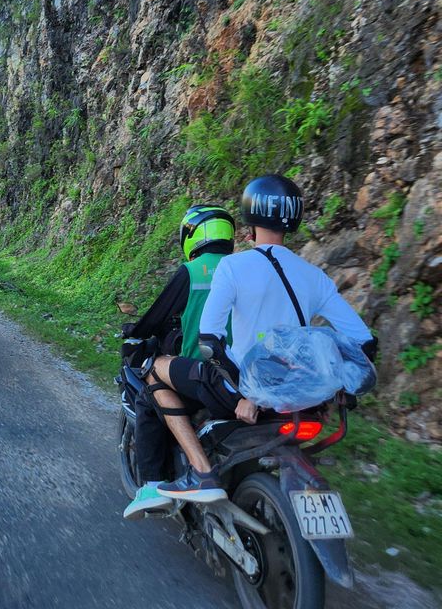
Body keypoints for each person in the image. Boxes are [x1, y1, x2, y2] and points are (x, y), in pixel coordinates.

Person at [142, 174, 374, 504]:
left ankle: (201, 473)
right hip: (300, 396)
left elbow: (209, 340)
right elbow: (363, 343)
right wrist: (341, 393)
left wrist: (242, 396)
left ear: (248, 223)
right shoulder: (314, 276)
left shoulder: (233, 267)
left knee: (156, 370)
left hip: (246, 392)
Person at [123, 204, 235, 520]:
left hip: (204, 375)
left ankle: (152, 484)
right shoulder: (243, 266)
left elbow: (157, 317)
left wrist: (136, 333)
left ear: (192, 235)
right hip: (247, 375)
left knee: (149, 390)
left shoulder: (193, 271)